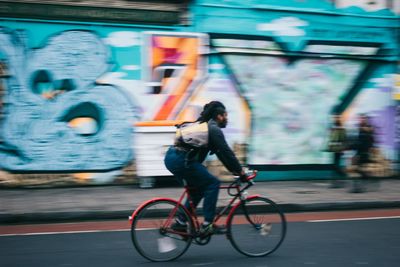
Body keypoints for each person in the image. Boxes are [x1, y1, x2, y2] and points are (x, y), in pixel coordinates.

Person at [164, 101, 247, 235]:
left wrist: (236, 171)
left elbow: (222, 155)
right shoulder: (213, 129)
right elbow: (227, 153)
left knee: (197, 190)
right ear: (220, 116)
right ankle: (208, 224)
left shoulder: (204, 126)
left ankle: (180, 223)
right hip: (181, 160)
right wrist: (241, 172)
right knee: (213, 183)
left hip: (173, 157)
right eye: (226, 115)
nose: (227, 118)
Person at [350, 114, 375, 193]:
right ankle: (360, 185)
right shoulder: (359, 128)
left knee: (359, 168)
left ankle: (360, 187)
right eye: (360, 119)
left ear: (366, 120)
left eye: (362, 119)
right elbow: (357, 140)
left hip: (365, 151)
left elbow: (370, 140)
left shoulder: (368, 128)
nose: (361, 120)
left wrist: (369, 149)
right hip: (359, 151)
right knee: (355, 168)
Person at [326, 114, 347, 188]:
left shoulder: (341, 128)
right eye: (334, 118)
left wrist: (342, 149)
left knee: (335, 166)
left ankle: (344, 176)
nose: (334, 119)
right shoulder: (333, 128)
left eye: (336, 118)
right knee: (334, 166)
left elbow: (344, 140)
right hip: (333, 149)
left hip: (338, 149)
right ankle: (335, 182)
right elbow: (331, 139)